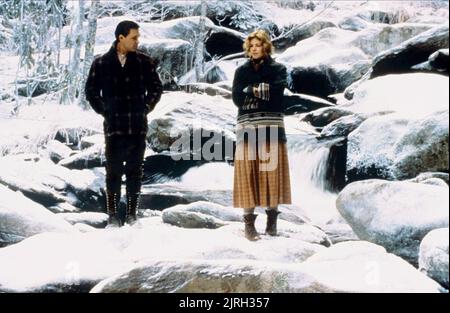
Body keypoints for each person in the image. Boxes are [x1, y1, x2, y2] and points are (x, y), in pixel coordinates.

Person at [85, 20, 163, 227]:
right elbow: (91, 91)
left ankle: (131, 214)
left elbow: (156, 88)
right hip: (114, 126)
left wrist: (145, 107)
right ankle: (112, 215)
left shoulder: (144, 62)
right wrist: (105, 110)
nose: (138, 41)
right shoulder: (101, 63)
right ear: (121, 38)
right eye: (134, 38)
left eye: (138, 37)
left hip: (137, 125)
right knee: (113, 170)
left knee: (135, 170)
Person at [232, 29, 292, 241]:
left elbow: (276, 95)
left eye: (258, 45)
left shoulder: (278, 69)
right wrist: (259, 92)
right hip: (247, 127)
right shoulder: (241, 71)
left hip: (272, 126)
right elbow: (237, 99)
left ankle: (272, 222)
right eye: (251, 46)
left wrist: (250, 90)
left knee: (271, 172)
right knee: (248, 173)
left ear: (266, 47)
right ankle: (249, 224)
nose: (254, 49)